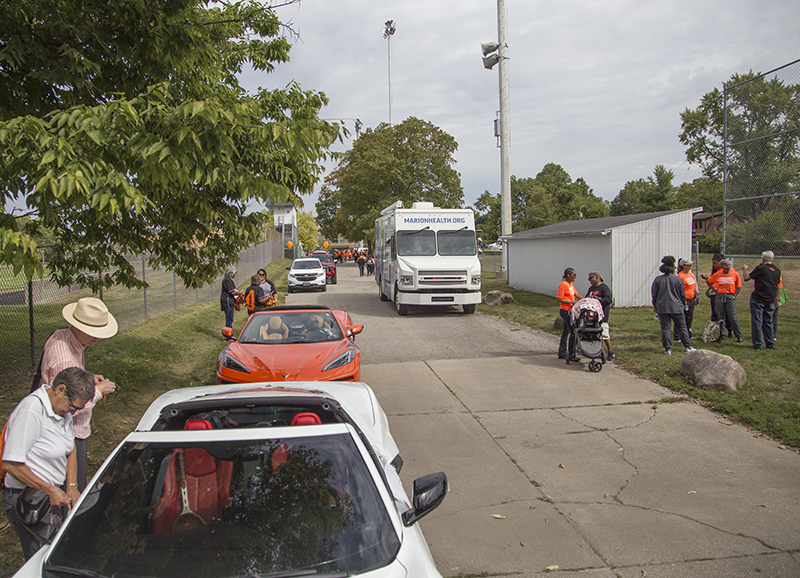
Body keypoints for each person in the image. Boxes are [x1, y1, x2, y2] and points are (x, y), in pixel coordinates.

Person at [2, 367, 95, 560]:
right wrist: (49, 489)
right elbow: (11, 464)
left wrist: (71, 486)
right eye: (73, 407)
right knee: (41, 556)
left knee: (59, 549)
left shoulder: (61, 410)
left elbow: (71, 448)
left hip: (52, 494)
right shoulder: (31, 412)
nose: (73, 412)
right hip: (28, 497)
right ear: (60, 389)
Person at [38, 298, 118, 492]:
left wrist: (87, 378)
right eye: (91, 332)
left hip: (65, 432)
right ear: (76, 325)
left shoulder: (63, 337)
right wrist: (98, 391)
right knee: (70, 489)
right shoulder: (64, 358)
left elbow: (66, 379)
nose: (96, 338)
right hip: (67, 433)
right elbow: (69, 406)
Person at [651, 255, 694, 355]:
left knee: (665, 328)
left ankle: (667, 349)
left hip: (662, 307)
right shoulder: (677, 279)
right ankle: (687, 346)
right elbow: (682, 294)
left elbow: (654, 295)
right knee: (682, 327)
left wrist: (655, 305)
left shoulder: (658, 280)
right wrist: (685, 304)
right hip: (677, 307)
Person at [741, 251, 781, 350]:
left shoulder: (760, 268)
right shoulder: (777, 270)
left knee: (757, 321)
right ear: (773, 259)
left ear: (762, 259)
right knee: (768, 322)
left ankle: (758, 344)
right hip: (770, 298)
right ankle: (770, 343)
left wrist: (744, 269)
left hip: (758, 298)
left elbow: (746, 278)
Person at [705, 258, 742, 343]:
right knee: (720, 316)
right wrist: (714, 289)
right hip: (720, 296)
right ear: (722, 266)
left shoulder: (735, 274)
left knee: (732, 316)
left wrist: (734, 296)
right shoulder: (718, 274)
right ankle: (720, 335)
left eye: (729, 265)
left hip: (730, 296)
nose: (728, 266)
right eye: (725, 265)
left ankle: (738, 335)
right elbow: (709, 281)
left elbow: (739, 287)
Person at [585, 271, 615, 361]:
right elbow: (586, 298)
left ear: (597, 277)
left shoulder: (604, 288)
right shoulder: (591, 288)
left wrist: (597, 299)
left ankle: (610, 352)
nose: (590, 280)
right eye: (589, 278)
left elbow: (608, 299)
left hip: (602, 316)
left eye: (591, 277)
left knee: (605, 334)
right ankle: (595, 351)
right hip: (591, 317)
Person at [700, 253, 732, 337]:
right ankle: (717, 332)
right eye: (713, 263)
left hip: (724, 294)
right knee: (715, 313)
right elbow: (710, 281)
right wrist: (713, 288)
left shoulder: (725, 272)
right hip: (715, 294)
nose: (714, 265)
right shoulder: (715, 271)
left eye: (715, 263)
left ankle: (729, 330)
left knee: (726, 314)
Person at [556, 268, 583, 362]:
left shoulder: (570, 285)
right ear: (568, 275)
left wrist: (585, 300)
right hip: (565, 311)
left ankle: (562, 352)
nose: (575, 277)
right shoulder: (563, 285)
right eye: (574, 275)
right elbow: (559, 298)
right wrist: (571, 302)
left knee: (566, 331)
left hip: (570, 310)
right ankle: (571, 354)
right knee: (573, 331)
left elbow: (577, 295)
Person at [676, 258, 698, 340]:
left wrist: (695, 296)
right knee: (681, 317)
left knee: (689, 317)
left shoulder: (690, 274)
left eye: (690, 265)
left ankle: (688, 333)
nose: (690, 266)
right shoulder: (680, 276)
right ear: (683, 266)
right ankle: (677, 335)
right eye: (688, 265)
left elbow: (693, 286)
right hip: (684, 299)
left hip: (691, 298)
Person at [220, 267, 239, 335]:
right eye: (235, 273)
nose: (235, 274)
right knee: (229, 319)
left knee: (230, 318)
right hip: (227, 301)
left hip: (230, 301)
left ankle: (229, 333)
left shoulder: (228, 280)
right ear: (231, 273)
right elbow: (232, 292)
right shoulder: (227, 280)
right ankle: (228, 335)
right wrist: (239, 293)